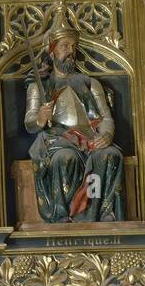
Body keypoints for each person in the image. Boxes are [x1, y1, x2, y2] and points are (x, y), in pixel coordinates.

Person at [24, 23, 125, 222]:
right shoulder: (39, 86)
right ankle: (63, 214)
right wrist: (41, 119)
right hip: (57, 141)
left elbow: (105, 117)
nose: (70, 51)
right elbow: (29, 122)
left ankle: (104, 212)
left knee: (110, 154)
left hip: (89, 140)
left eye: (73, 46)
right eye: (64, 46)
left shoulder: (90, 83)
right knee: (65, 158)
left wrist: (106, 135)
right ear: (51, 52)